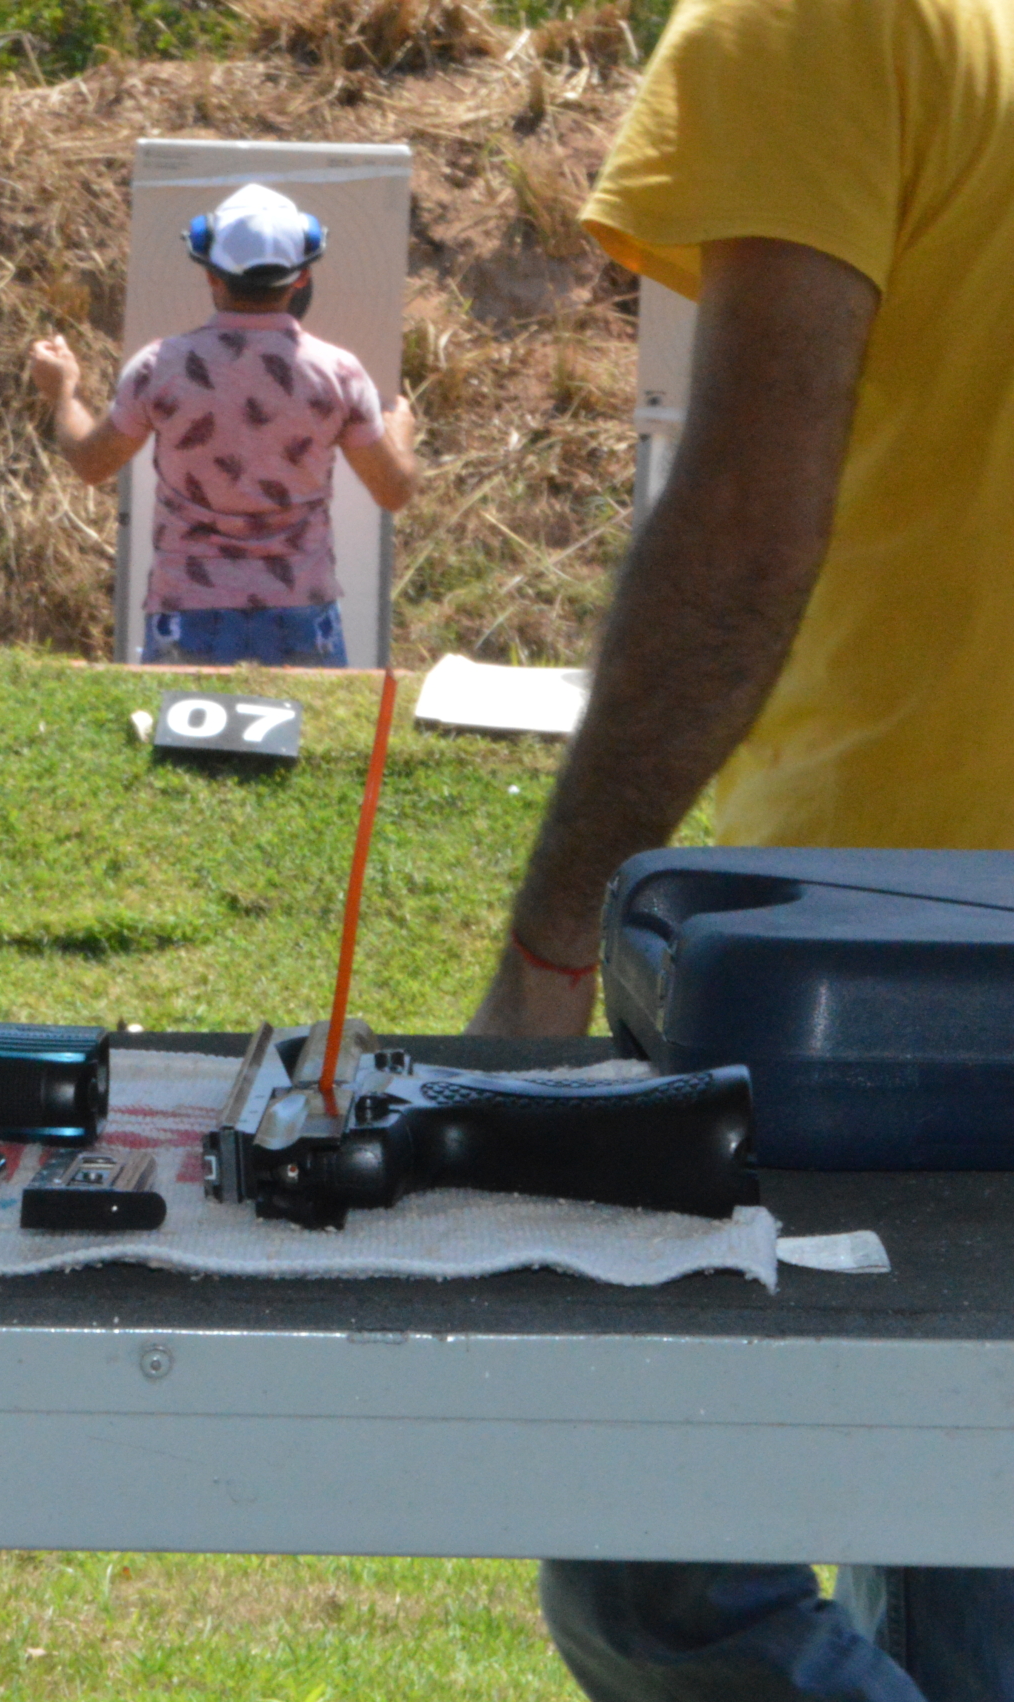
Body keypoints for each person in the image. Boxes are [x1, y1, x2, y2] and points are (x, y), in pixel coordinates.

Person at [465, 0, 1014, 1692]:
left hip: (896, 976)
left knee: (659, 1556)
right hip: (920, 953)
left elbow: (748, 518)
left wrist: (556, 943)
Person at [27, 182, 419, 668]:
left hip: (187, 609)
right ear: (301, 277)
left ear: (212, 275)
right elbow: (394, 491)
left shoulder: (159, 367)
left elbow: (90, 462)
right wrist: (400, 432)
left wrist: (63, 392)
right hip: (300, 610)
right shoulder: (339, 374)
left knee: (183, 722)